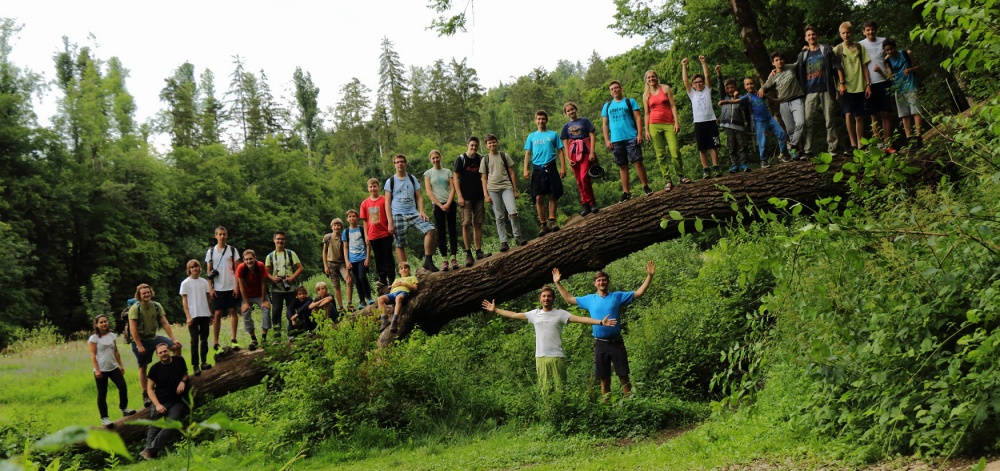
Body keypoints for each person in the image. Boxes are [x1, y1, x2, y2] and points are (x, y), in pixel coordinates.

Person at [481, 285, 617, 393]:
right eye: (544, 296)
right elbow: (514, 315)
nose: (546, 298)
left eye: (549, 296)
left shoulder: (560, 314)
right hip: (541, 357)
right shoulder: (534, 314)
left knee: (560, 389)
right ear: (540, 299)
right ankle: (550, 417)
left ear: (553, 299)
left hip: (557, 357)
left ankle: (562, 418)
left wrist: (600, 322)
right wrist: (496, 310)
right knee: (545, 390)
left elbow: (581, 319)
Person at [552, 261, 655, 398]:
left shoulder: (617, 296)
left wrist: (649, 276)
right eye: (599, 280)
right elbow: (569, 299)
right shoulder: (590, 299)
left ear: (608, 282)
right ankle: (608, 409)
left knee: (624, 377)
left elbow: (638, 293)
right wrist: (558, 283)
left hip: (616, 342)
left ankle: (631, 405)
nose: (601, 282)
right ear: (595, 283)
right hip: (600, 343)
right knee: (604, 379)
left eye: (604, 280)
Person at [128, 283, 181, 409]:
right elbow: (132, 328)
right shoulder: (135, 308)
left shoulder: (156, 306)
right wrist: (139, 345)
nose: (146, 295)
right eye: (143, 293)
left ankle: (174, 376)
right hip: (140, 340)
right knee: (142, 366)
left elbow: (164, 322)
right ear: (139, 295)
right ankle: (145, 394)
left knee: (176, 347)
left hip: (153, 338)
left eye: (148, 292)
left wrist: (173, 339)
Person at [384, 153, 439, 273]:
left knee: (430, 229)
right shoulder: (390, 181)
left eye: (402, 161)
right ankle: (405, 272)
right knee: (399, 244)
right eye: (397, 162)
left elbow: (419, 197)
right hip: (397, 214)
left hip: (413, 213)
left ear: (405, 163)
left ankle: (428, 261)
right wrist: (390, 222)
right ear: (394, 164)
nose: (400, 164)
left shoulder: (412, 178)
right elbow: (387, 202)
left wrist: (422, 211)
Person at [722, 77, 793, 167]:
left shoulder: (760, 93)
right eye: (747, 84)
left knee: (782, 133)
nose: (750, 86)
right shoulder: (747, 97)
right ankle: (764, 160)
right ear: (744, 86)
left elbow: (768, 97)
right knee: (762, 141)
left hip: (769, 118)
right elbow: (737, 100)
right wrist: (726, 102)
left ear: (755, 84)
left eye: (751, 83)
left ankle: (783, 154)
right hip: (759, 121)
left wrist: (776, 100)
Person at [797, 25, 844, 157]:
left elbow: (837, 66)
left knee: (829, 120)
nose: (811, 37)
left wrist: (841, 84)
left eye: (813, 34)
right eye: (809, 35)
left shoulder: (826, 50)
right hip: (810, 91)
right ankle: (808, 150)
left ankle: (832, 149)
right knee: (808, 121)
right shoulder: (802, 55)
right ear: (806, 38)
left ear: (817, 36)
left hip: (826, 89)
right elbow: (795, 70)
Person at [602, 80, 652, 201]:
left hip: (631, 137)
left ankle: (645, 186)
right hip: (616, 140)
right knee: (622, 166)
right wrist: (607, 140)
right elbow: (605, 124)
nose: (614, 90)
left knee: (638, 162)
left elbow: (638, 117)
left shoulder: (630, 102)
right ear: (610, 92)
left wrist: (639, 134)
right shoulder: (607, 106)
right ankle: (626, 192)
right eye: (612, 89)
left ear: (621, 89)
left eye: (616, 88)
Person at [139, 343, 189, 460]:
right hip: (160, 402)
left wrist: (183, 381)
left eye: (165, 351)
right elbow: (150, 389)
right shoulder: (154, 369)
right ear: (157, 355)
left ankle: (148, 451)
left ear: (169, 351)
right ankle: (151, 455)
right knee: (154, 427)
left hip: (176, 402)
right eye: (160, 353)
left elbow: (185, 374)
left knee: (171, 425)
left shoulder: (179, 361)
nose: (163, 354)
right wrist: (157, 405)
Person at [88, 314, 137, 428]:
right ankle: (104, 418)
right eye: (101, 322)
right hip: (101, 369)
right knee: (102, 394)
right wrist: (97, 370)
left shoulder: (111, 335)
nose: (104, 324)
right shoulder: (94, 338)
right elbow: (92, 355)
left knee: (123, 387)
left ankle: (124, 408)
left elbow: (116, 351)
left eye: (105, 321)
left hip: (113, 367)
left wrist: (121, 365)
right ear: (96, 324)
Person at [643, 69, 688, 191]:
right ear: (646, 80)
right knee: (660, 154)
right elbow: (646, 114)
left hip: (668, 123)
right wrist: (646, 130)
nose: (651, 79)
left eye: (653, 77)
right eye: (649, 78)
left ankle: (681, 176)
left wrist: (676, 122)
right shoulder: (646, 95)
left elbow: (673, 105)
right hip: (654, 125)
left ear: (657, 77)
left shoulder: (666, 88)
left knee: (675, 151)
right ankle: (667, 179)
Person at [524, 110, 567, 237]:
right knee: (538, 197)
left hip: (551, 166)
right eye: (538, 119)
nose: (541, 121)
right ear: (535, 121)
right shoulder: (531, 136)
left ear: (546, 120)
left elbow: (560, 151)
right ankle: (543, 224)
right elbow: (527, 153)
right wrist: (525, 169)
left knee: (553, 194)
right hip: (537, 169)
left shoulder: (553, 134)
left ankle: (552, 220)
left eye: (543, 119)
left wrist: (563, 167)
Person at [759, 51, 807, 162]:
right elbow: (766, 86)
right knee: (790, 129)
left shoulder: (790, 67)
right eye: (776, 60)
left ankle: (793, 147)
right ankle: (798, 152)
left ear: (784, 61)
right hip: (783, 103)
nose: (779, 61)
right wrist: (762, 89)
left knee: (801, 123)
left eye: (781, 59)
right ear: (773, 63)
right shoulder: (773, 75)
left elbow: (800, 61)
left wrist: (804, 51)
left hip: (796, 99)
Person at [480, 133, 525, 251]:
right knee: (499, 216)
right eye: (489, 143)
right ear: (486, 145)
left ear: (497, 142)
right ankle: (503, 241)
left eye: (494, 142)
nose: (492, 144)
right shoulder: (485, 159)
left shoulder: (504, 155)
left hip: (506, 186)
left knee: (513, 212)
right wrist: (485, 194)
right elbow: (483, 177)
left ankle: (517, 237)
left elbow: (512, 173)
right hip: (493, 189)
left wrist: (515, 190)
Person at [834, 21, 872, 151]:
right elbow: (830, 65)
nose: (846, 35)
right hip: (845, 87)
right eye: (843, 33)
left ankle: (861, 143)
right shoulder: (837, 49)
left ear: (852, 33)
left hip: (860, 85)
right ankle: (852, 144)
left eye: (848, 32)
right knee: (848, 114)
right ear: (840, 34)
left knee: (859, 116)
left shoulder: (859, 47)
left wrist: (868, 85)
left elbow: (865, 66)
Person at [682, 56, 723, 177]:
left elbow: (708, 75)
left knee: (713, 146)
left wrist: (704, 62)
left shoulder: (707, 90)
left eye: (700, 82)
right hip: (699, 123)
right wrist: (684, 66)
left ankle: (716, 168)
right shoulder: (692, 93)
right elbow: (685, 81)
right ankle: (706, 170)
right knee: (702, 148)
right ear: (693, 85)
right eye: (696, 82)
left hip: (711, 121)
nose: (698, 84)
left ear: (703, 83)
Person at [454, 137, 491, 267]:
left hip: (479, 196)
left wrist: (486, 193)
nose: (474, 148)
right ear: (467, 145)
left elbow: (484, 176)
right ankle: (468, 253)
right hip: (465, 197)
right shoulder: (461, 159)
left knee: (478, 223)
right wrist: (459, 196)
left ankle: (478, 251)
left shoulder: (480, 158)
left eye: (476, 146)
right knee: (465, 224)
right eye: (472, 145)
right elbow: (455, 178)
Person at [205, 226, 241, 351]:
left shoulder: (232, 250)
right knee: (217, 313)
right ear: (215, 236)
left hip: (231, 285)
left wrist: (237, 286)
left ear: (227, 236)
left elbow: (237, 270)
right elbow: (209, 272)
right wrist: (210, 288)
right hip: (218, 287)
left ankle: (233, 339)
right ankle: (216, 342)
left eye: (224, 234)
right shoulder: (210, 252)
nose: (222, 236)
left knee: (233, 311)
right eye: (219, 234)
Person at [883, 38, 923, 149]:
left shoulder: (906, 53)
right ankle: (909, 138)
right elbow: (890, 76)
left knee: (916, 111)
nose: (890, 52)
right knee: (904, 115)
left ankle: (919, 136)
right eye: (887, 50)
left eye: (891, 49)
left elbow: (918, 66)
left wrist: (910, 70)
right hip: (898, 88)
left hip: (910, 85)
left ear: (895, 47)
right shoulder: (887, 60)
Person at [560, 102, 599, 214]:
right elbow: (565, 142)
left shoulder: (585, 121)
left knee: (584, 177)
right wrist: (568, 158)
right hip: (573, 153)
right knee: (578, 181)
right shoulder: (566, 127)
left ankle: (592, 203)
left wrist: (592, 152)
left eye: (572, 109)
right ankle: (585, 204)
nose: (571, 112)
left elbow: (592, 135)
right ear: (566, 113)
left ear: (576, 109)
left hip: (585, 150)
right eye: (568, 111)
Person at [860, 21, 894, 149]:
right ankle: (879, 145)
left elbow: (891, 54)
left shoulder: (883, 41)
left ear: (876, 30)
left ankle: (888, 143)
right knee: (874, 115)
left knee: (886, 113)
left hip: (884, 80)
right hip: (870, 83)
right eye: (867, 30)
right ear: (864, 32)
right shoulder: (861, 44)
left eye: (872, 29)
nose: (870, 32)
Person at [265, 231, 304, 341]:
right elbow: (266, 272)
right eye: (278, 239)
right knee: (276, 311)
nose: (280, 241)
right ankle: (277, 337)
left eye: (282, 239)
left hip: (290, 287)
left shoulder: (291, 254)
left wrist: (292, 277)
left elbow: (300, 268)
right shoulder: (270, 256)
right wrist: (273, 279)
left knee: (291, 311)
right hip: (276, 288)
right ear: (274, 240)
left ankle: (291, 333)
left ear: (285, 241)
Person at [423, 150, 459, 271]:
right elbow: (429, 192)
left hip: (449, 203)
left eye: (437, 157)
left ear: (440, 158)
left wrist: (448, 203)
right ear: (430, 159)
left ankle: (454, 257)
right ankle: (444, 259)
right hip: (438, 206)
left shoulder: (447, 171)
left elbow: (452, 188)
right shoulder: (428, 174)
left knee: (452, 230)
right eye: (433, 158)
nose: (435, 160)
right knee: (441, 232)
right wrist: (439, 205)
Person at [360, 177, 396, 288]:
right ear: (368, 188)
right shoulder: (365, 203)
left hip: (385, 233)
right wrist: (366, 235)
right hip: (373, 235)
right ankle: (382, 279)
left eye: (374, 186)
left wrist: (391, 225)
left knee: (388, 256)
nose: (372, 188)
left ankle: (391, 278)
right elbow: (365, 221)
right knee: (378, 257)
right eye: (370, 187)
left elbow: (391, 214)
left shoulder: (384, 200)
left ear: (378, 187)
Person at [715, 65, 752, 173]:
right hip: (727, 125)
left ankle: (744, 163)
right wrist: (719, 74)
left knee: (742, 145)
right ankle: (734, 165)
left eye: (732, 87)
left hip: (739, 125)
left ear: (736, 87)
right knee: (731, 145)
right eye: (728, 88)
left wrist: (737, 98)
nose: (730, 89)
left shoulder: (742, 98)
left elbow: (746, 110)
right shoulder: (724, 97)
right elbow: (720, 86)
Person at [179, 260, 212, 374]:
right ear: (189, 269)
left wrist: (210, 314)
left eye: (196, 266)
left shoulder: (204, 282)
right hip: (193, 315)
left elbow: (208, 299)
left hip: (204, 314)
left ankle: (204, 362)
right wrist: (188, 316)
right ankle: (195, 365)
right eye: (192, 267)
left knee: (204, 340)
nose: (195, 269)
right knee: (194, 341)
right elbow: (184, 301)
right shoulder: (185, 283)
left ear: (199, 268)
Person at [235, 249, 270, 351]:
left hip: (260, 293)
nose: (249, 261)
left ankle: (264, 338)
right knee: (245, 312)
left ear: (255, 258)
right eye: (246, 259)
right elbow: (241, 286)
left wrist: (263, 300)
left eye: (251, 259)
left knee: (266, 310)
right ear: (243, 260)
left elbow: (264, 283)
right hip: (247, 294)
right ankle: (253, 339)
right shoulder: (241, 268)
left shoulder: (260, 266)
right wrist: (246, 303)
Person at [376, 261, 418, 334]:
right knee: (380, 299)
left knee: (398, 298)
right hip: (393, 293)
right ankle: (384, 320)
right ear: (399, 271)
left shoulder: (412, 277)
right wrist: (395, 285)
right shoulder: (396, 280)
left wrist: (405, 284)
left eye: (405, 268)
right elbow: (392, 289)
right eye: (401, 268)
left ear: (409, 270)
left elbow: (415, 288)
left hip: (403, 293)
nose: (403, 270)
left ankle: (394, 319)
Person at [343, 209, 373, 309]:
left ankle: (368, 297)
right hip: (352, 260)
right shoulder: (346, 232)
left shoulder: (361, 229)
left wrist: (368, 258)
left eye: (354, 216)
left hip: (362, 258)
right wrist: (347, 261)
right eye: (350, 216)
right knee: (357, 280)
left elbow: (368, 244)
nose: (352, 218)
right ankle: (362, 300)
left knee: (362, 277)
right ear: (347, 219)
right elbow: (345, 247)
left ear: (357, 217)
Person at [322, 218, 352, 313]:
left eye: (338, 225)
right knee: (336, 286)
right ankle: (341, 307)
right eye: (334, 225)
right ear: (331, 227)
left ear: (341, 227)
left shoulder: (344, 237)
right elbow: (324, 252)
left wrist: (347, 268)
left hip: (342, 263)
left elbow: (347, 250)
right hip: (331, 263)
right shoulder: (327, 237)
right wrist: (325, 266)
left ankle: (349, 303)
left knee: (348, 281)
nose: (336, 227)